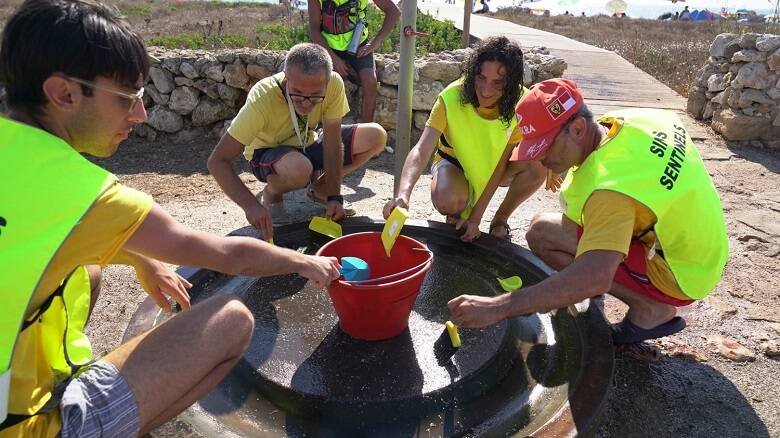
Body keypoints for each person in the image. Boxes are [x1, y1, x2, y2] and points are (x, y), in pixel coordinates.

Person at [0, 2, 342, 437]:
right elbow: (225, 254)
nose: (140, 114)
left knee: (88, 269)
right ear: (64, 94)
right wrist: (302, 262)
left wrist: (143, 257)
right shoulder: (83, 193)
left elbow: (36, 235)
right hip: (21, 428)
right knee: (231, 320)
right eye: (128, 97)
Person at [448, 79, 728, 345]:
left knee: (551, 243)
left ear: (578, 129)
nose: (541, 159)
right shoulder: (634, 119)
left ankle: (650, 309)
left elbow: (594, 276)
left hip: (684, 271)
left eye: (545, 148)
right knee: (546, 230)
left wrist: (498, 307)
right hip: (702, 242)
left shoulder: (607, 190)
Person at [207, 43, 387, 241]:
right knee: (300, 168)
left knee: (376, 136)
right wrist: (251, 206)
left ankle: (320, 188)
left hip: (307, 142)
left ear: (327, 82)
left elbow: (333, 145)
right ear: (286, 78)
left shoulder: (334, 84)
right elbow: (217, 161)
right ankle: (272, 193)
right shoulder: (263, 98)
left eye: (315, 95)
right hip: (268, 152)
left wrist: (335, 197)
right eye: (298, 93)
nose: (307, 102)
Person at [383, 36, 547, 242]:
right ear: (472, 72)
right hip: (454, 161)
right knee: (448, 199)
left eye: (498, 83)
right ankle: (456, 216)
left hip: (495, 165)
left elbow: (500, 167)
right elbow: (421, 149)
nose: (486, 90)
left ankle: (500, 219)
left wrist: (476, 219)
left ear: (511, 83)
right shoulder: (450, 97)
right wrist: (403, 194)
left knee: (539, 163)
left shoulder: (522, 103)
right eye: (481, 77)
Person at [308, 0, 399, 123]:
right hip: (328, 47)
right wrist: (334, 59)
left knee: (370, 80)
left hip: (358, 45)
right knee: (323, 80)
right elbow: (314, 31)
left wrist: (375, 42)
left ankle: (365, 130)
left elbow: (393, 11)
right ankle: (321, 127)